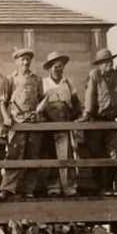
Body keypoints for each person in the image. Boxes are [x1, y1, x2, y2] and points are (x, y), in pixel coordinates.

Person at [77, 48, 117, 195]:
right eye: (104, 62)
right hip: (95, 121)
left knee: (113, 152)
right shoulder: (95, 75)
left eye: (109, 61)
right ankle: (100, 188)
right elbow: (90, 97)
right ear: (99, 64)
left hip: (111, 121)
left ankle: (108, 187)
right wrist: (87, 115)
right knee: (97, 155)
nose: (108, 64)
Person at [0, 48, 44, 201]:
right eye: (22, 59)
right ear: (16, 62)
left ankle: (28, 190)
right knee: (14, 156)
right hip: (17, 123)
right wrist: (6, 117)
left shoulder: (36, 79)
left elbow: (42, 100)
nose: (25, 62)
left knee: (32, 156)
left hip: (33, 123)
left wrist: (38, 112)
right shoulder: (10, 79)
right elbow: (3, 101)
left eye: (28, 59)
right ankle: (7, 189)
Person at [38, 51, 82, 197]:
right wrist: (44, 121)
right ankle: (54, 186)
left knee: (67, 156)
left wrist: (75, 118)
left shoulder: (68, 83)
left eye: (61, 67)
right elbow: (38, 105)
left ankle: (69, 187)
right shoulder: (43, 83)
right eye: (56, 67)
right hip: (49, 125)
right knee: (51, 156)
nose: (59, 69)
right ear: (50, 68)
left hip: (65, 123)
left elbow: (76, 104)